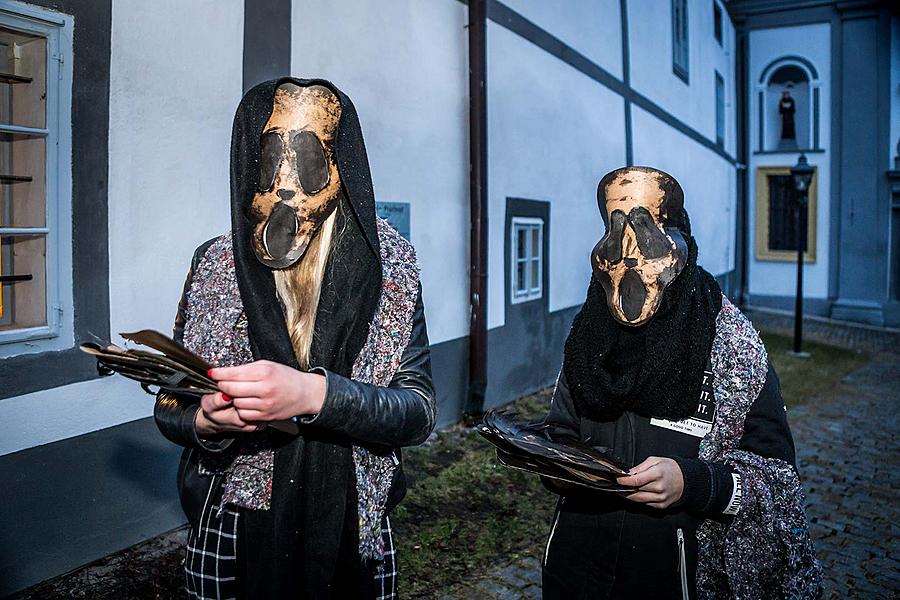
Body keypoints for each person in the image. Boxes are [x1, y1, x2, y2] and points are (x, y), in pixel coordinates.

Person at [153, 78, 435, 599]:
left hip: (354, 517)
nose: (286, 184)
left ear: (340, 167)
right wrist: (205, 420)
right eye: (269, 159)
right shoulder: (214, 265)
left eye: (308, 160)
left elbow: (416, 410)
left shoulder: (390, 267)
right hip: (234, 518)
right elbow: (172, 400)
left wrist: (315, 395)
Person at [541, 166, 821, 599]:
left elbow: (775, 483)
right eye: (617, 239)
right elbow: (561, 430)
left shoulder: (731, 347)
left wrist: (692, 483)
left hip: (678, 577)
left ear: (680, 247)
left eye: (647, 236)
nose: (631, 260)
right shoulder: (589, 338)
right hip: (577, 571)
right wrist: (562, 468)